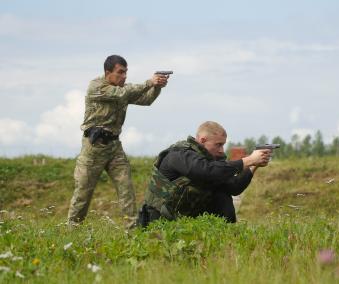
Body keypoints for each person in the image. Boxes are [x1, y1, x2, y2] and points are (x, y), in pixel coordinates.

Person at [67, 55, 169, 228]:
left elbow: (147, 100)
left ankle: (132, 231)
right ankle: (72, 231)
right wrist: (149, 82)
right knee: (83, 193)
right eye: (120, 72)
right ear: (108, 72)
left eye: (126, 72)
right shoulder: (97, 86)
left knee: (126, 189)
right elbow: (122, 93)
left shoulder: (124, 89)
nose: (124, 76)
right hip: (93, 148)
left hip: (114, 147)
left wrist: (157, 86)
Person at [138, 121, 271, 227]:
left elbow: (233, 187)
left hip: (184, 224)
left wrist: (254, 165)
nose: (221, 150)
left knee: (222, 194)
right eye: (218, 145)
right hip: (158, 223)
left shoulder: (211, 161)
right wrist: (248, 160)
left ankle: (227, 236)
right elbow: (206, 171)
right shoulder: (179, 154)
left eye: (223, 145)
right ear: (202, 140)